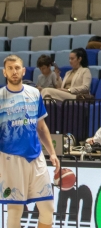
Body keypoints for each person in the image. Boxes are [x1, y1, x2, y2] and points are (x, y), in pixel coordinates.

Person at [0, 54, 60, 228]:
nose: (14, 71)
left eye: (17, 68)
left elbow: (41, 127)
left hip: (36, 156)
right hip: (10, 158)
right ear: (4, 72)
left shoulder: (34, 93)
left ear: (24, 70)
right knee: (15, 211)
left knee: (48, 208)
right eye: (10, 68)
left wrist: (52, 153)